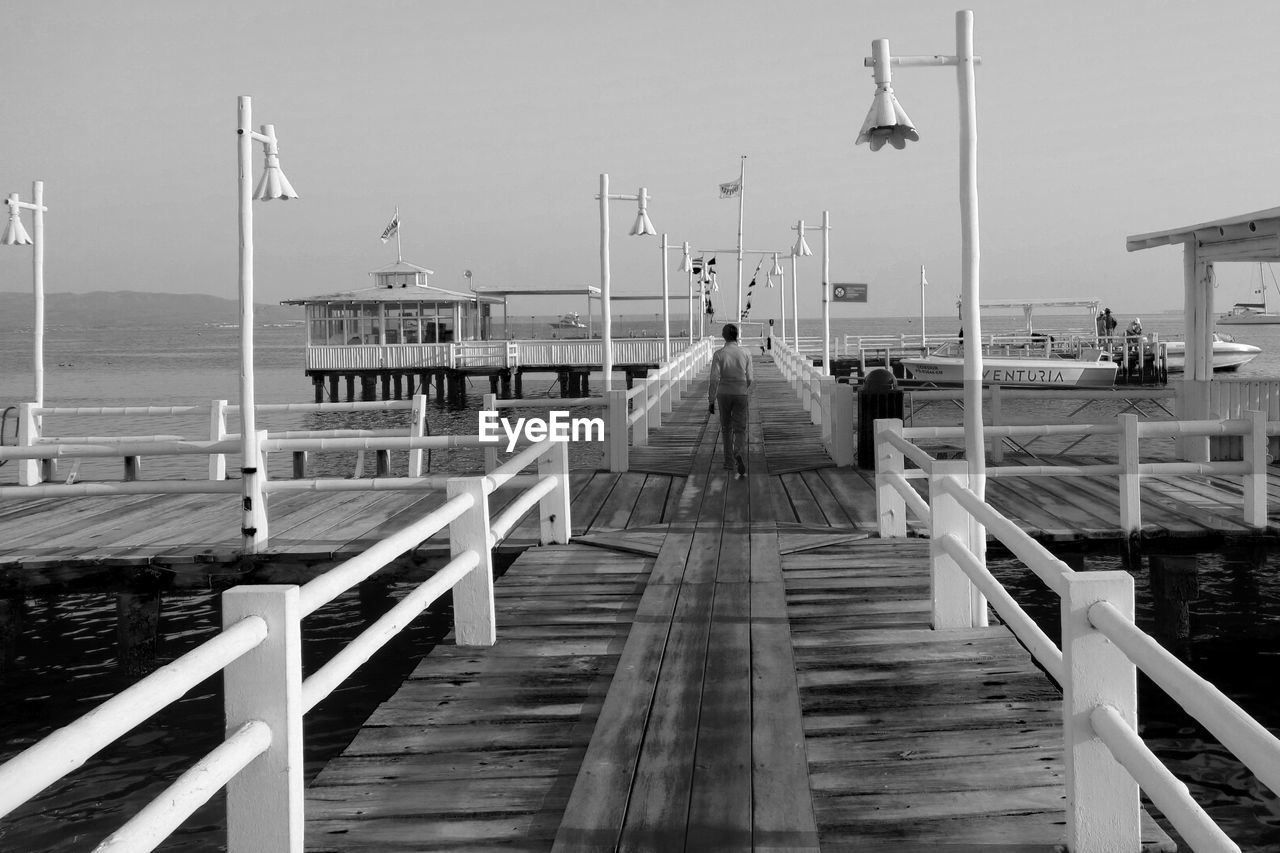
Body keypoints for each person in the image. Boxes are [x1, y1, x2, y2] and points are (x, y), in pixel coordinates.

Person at [708, 322, 754, 479]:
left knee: (726, 428)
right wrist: (743, 389)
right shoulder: (746, 353)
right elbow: (750, 378)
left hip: (724, 393)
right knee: (740, 428)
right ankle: (738, 452)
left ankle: (728, 462)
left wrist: (711, 399)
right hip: (741, 392)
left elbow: (714, 379)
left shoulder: (719, 354)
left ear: (725, 335)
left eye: (722, 331)